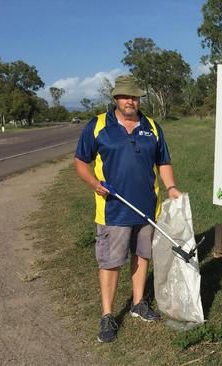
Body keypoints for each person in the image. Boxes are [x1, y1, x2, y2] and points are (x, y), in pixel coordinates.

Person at [73, 75, 182, 343]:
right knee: (110, 262)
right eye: (125, 96)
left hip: (146, 208)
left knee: (142, 255)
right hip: (113, 210)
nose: (130, 101)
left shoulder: (152, 127)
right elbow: (80, 161)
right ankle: (108, 314)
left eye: (134, 96)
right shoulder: (98, 126)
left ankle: (137, 303)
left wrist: (171, 188)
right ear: (115, 99)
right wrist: (94, 183)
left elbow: (163, 162)